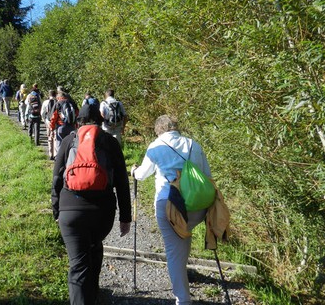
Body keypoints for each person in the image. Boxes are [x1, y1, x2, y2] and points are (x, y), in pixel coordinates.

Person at [52, 104, 132, 305]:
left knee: (78, 266)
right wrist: (125, 217)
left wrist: (56, 210)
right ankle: (93, 294)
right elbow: (122, 182)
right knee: (94, 245)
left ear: (78, 121)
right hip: (103, 213)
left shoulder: (69, 141)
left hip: (71, 212)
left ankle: (83, 298)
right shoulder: (110, 143)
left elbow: (56, 180)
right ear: (101, 120)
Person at [131, 115, 212, 305]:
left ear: (158, 129)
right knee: (183, 238)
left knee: (174, 252)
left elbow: (142, 175)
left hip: (170, 205)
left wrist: (134, 171)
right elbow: (207, 175)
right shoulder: (194, 144)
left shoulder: (156, 146)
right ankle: (183, 275)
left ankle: (183, 300)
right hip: (198, 205)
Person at [49, 91, 79, 157]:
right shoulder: (73, 103)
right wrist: (76, 126)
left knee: (59, 145)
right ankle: (68, 160)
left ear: (59, 97)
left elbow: (53, 118)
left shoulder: (58, 104)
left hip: (61, 126)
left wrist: (52, 128)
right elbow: (77, 114)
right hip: (72, 127)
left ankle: (59, 161)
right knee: (70, 144)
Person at [41, 89, 57, 160]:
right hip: (56, 121)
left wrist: (44, 120)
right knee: (55, 137)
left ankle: (51, 154)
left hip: (48, 121)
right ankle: (56, 153)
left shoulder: (45, 102)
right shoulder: (58, 101)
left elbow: (42, 113)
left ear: (49, 95)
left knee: (49, 137)